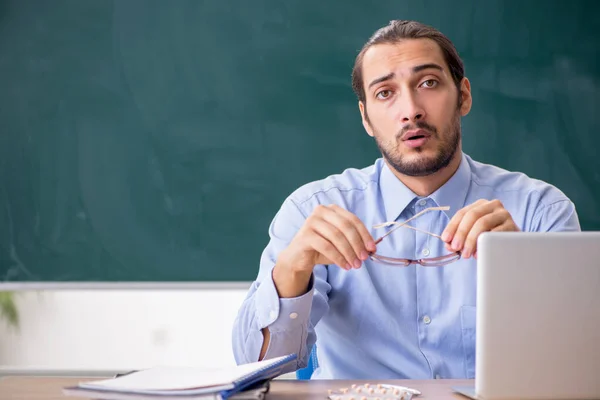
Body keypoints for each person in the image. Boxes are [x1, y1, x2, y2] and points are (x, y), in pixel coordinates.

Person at [231, 20, 580, 379]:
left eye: (428, 83)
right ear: (366, 118)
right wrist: (291, 270)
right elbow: (256, 367)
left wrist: (524, 271)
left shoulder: (540, 213)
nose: (411, 110)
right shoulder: (311, 212)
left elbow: (577, 362)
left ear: (464, 96)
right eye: (385, 92)